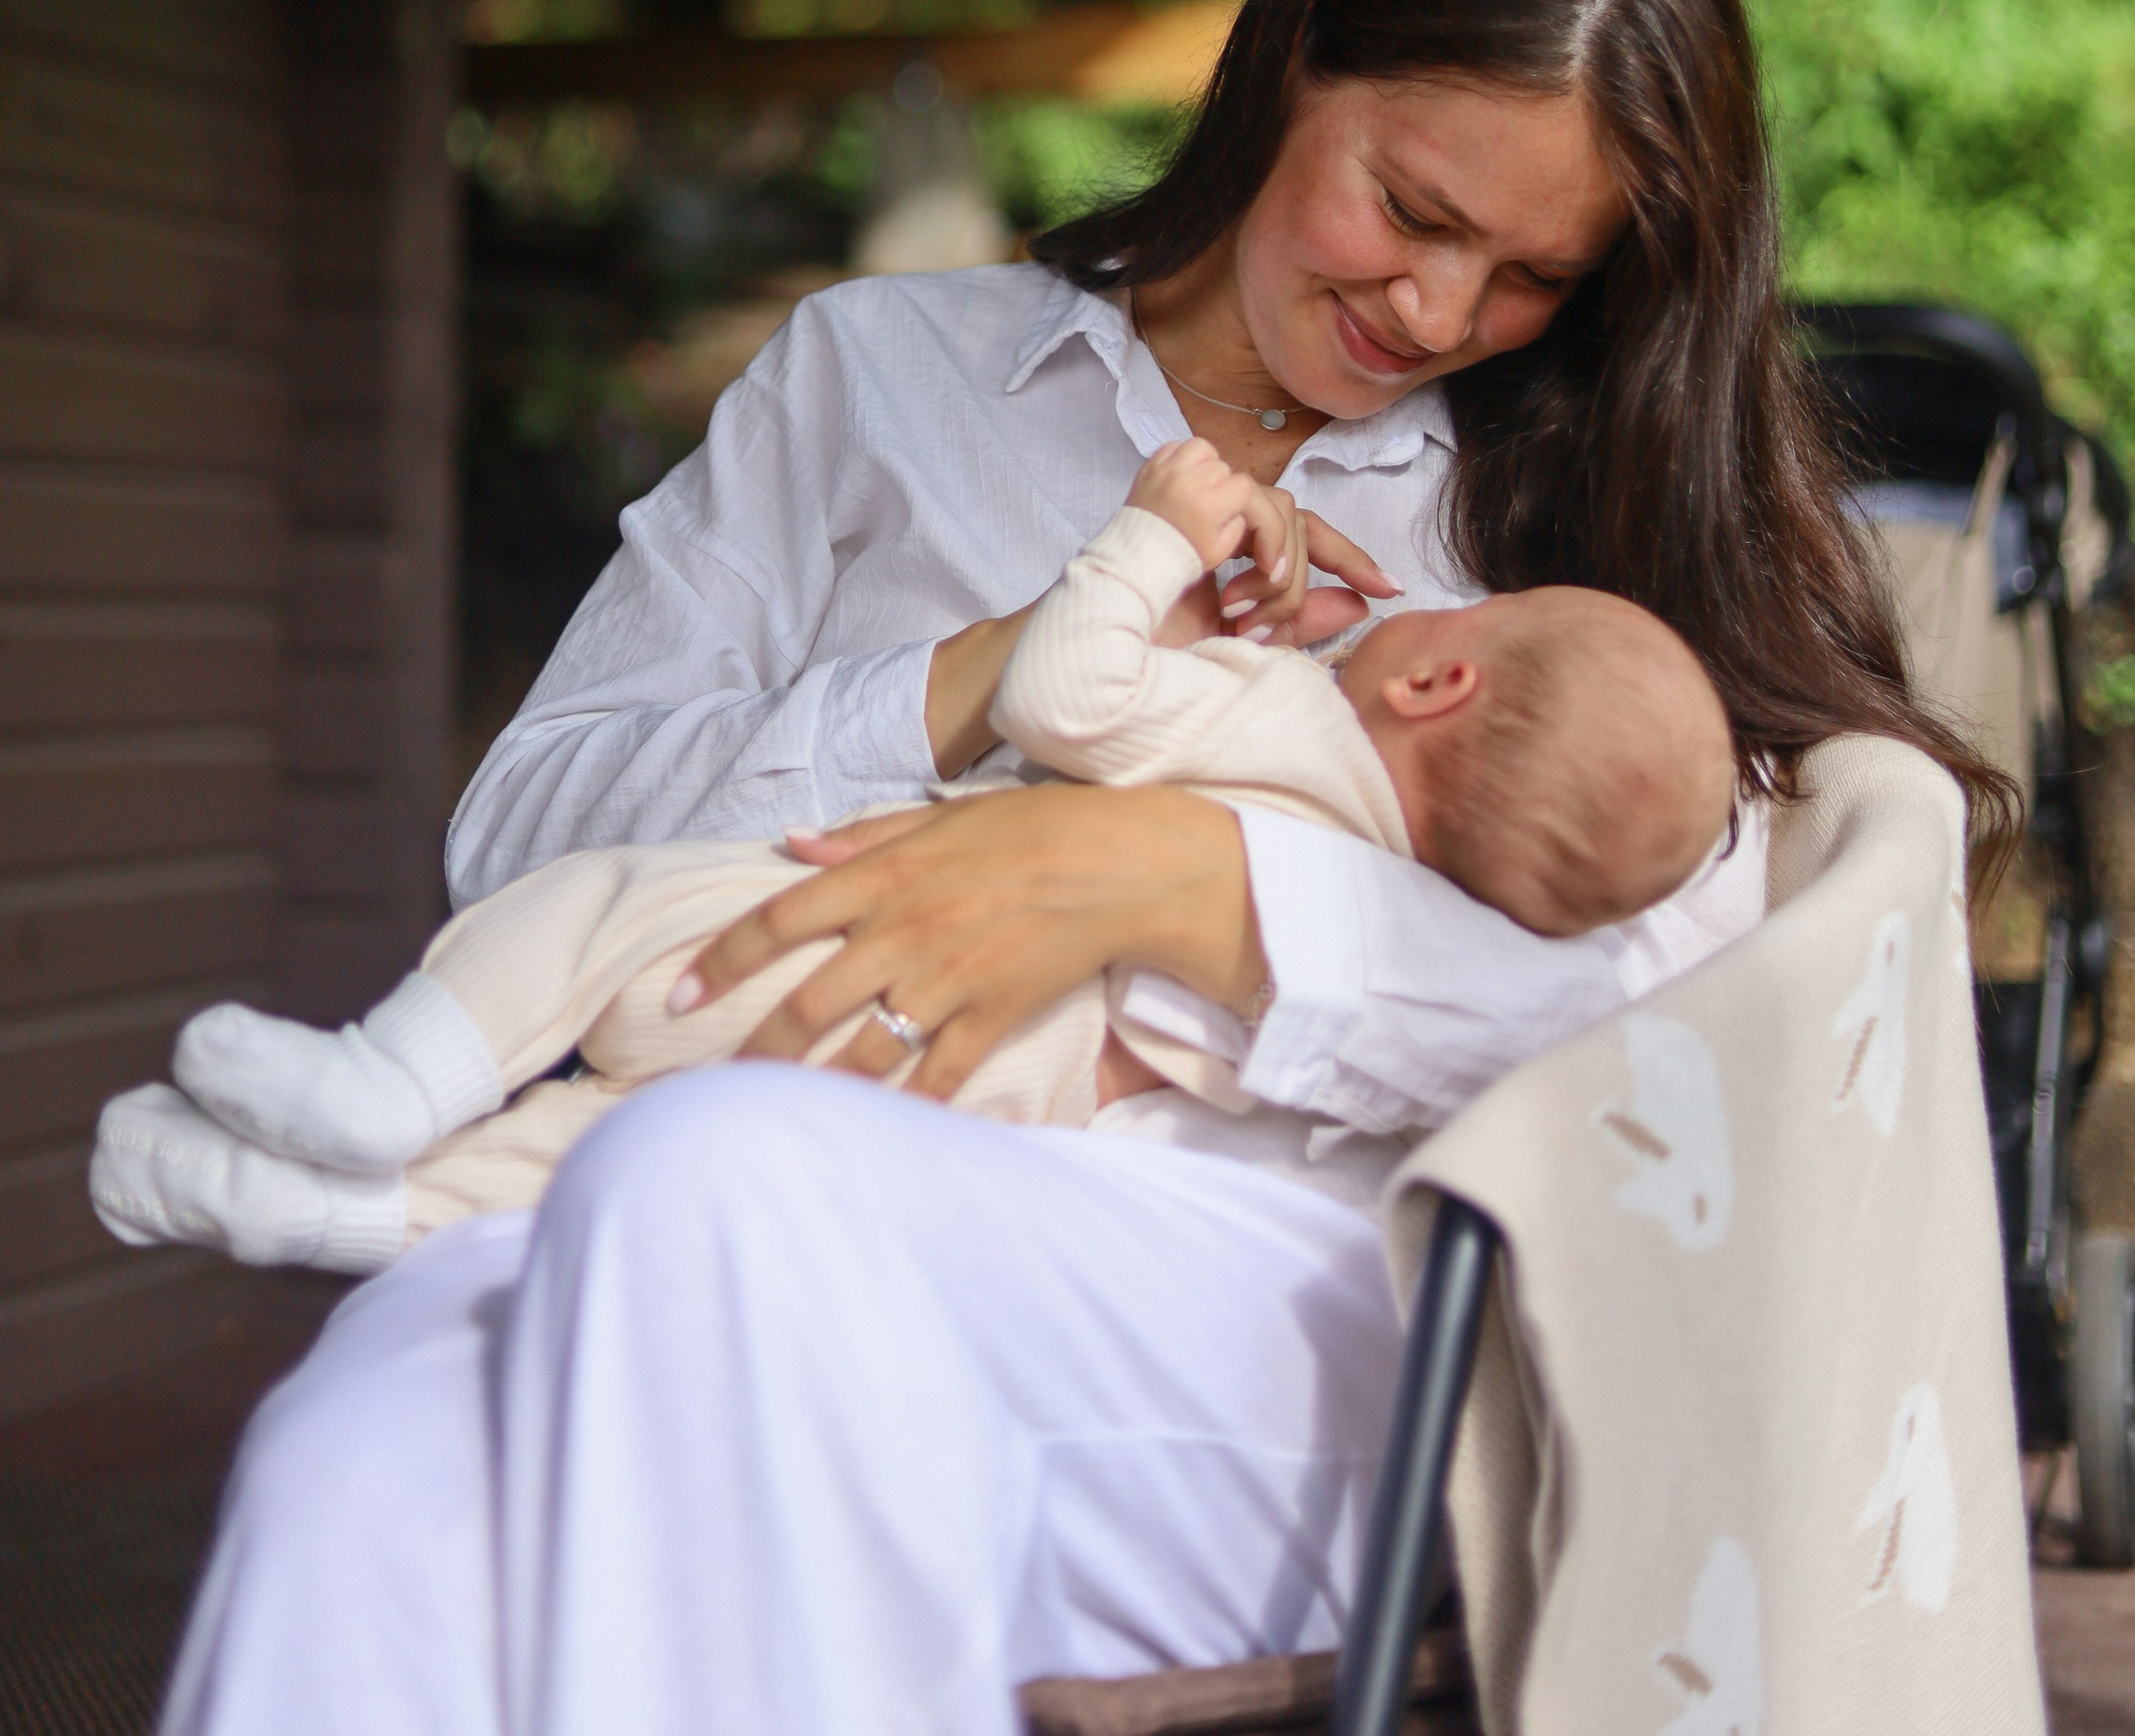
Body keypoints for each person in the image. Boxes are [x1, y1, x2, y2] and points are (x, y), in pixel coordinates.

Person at [143, 0, 2008, 1736]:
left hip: (1287, 1296)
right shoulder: (879, 382)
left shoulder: (1570, 523)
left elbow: (1709, 999)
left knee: (715, 1189)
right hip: (702, 1198)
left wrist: (1198, 894)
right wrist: (970, 679)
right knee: (355, 1458)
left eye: (1532, 274)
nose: (1445, 305)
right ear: (1290, 52)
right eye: (1409, 205)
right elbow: (518, 844)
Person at [92, 439, 1736, 1274]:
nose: (1445, 307)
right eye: (1408, 210)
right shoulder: (1399, 869)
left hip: (814, 937)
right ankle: (359, 1214)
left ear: (1439, 675)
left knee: (590, 909)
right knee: (615, 1165)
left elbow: (1063, 696)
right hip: (974, 1110)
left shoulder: (1282, 723)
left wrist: (1155, 536)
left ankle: (391, 1082)